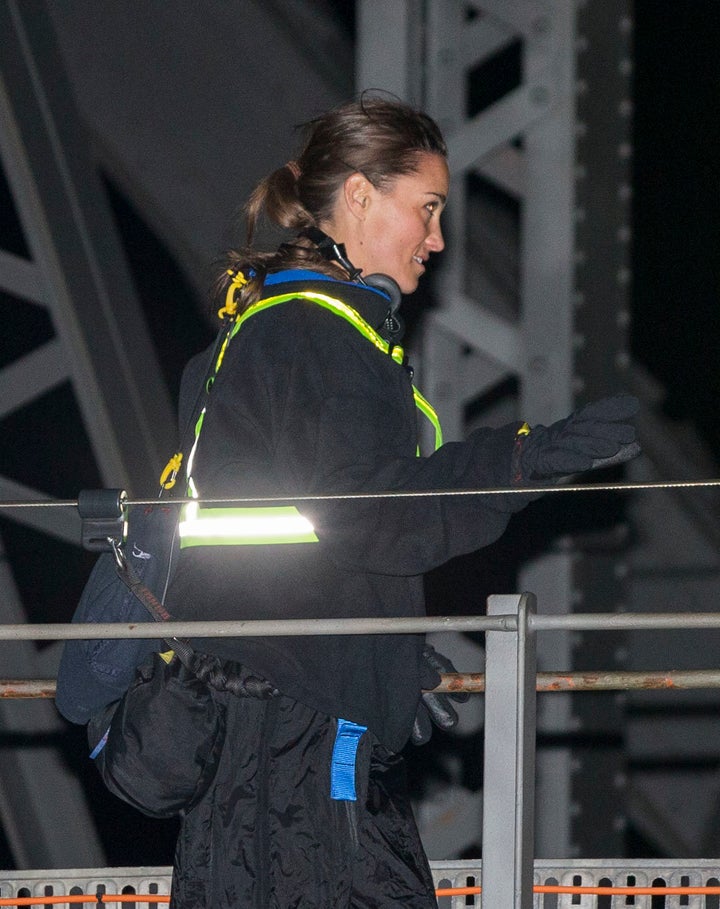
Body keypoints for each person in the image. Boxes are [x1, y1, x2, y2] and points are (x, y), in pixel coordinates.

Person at [155, 95, 639, 908]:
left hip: (266, 725)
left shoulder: (262, 328)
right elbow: (370, 510)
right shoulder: (322, 337)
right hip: (300, 746)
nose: (439, 240)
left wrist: (379, 649)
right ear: (358, 198)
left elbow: (284, 530)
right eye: (428, 209)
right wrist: (524, 458)